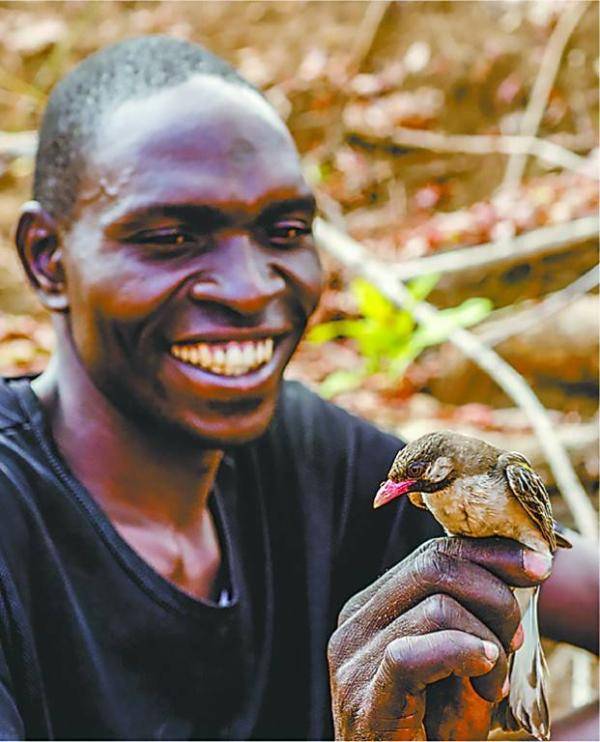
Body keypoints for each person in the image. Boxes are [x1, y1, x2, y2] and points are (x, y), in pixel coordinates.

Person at [5, 35, 597, 740]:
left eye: (285, 230)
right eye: (170, 236)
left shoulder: (307, 452)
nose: (252, 287)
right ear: (47, 260)